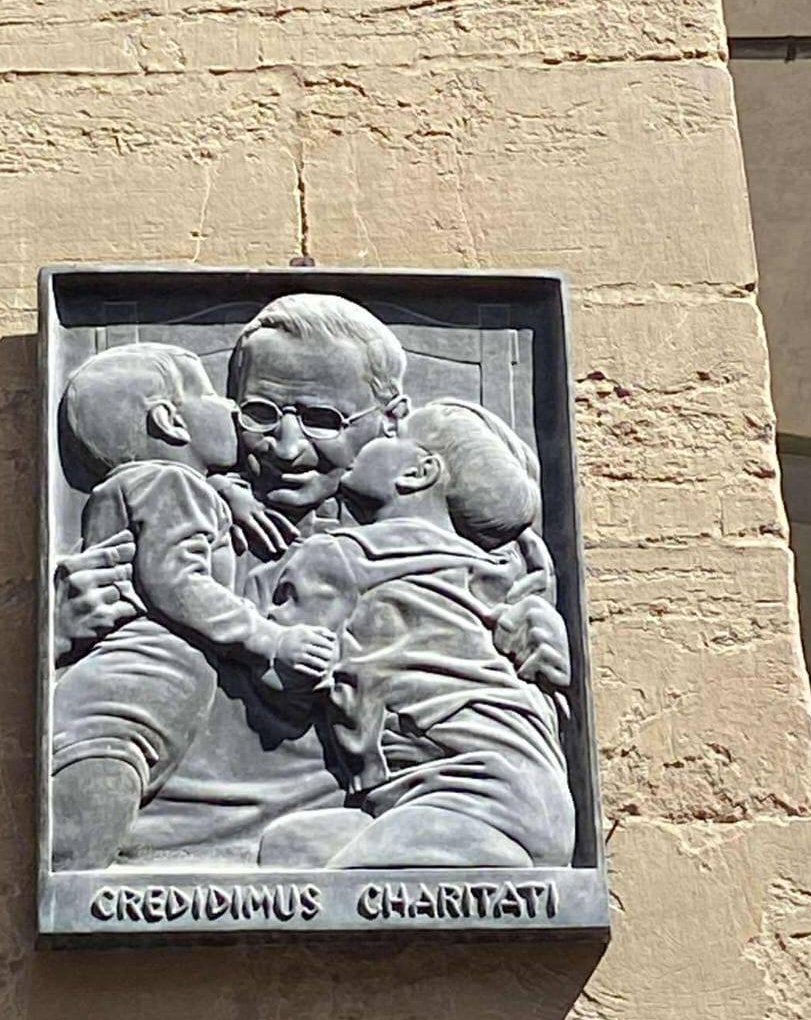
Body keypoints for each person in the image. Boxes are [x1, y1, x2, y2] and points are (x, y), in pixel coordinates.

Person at [52, 295, 573, 865]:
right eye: (260, 414)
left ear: (392, 421)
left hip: (406, 830)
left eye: (323, 419)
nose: (288, 448)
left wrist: (546, 659)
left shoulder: (444, 547)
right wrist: (55, 633)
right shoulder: (182, 525)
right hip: (170, 845)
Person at [49, 343, 336, 870]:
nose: (229, 408)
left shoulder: (151, 484)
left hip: (142, 701)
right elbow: (178, 582)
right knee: (82, 844)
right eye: (209, 394)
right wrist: (270, 640)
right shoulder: (170, 483)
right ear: (170, 421)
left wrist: (226, 493)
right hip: (124, 703)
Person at [256, 401, 576, 870]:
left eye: (393, 434)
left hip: (473, 797)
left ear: (418, 472)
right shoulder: (489, 572)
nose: (376, 435)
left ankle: (504, 868)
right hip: (524, 793)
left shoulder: (343, 556)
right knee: (287, 849)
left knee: (336, 888)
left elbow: (275, 677)